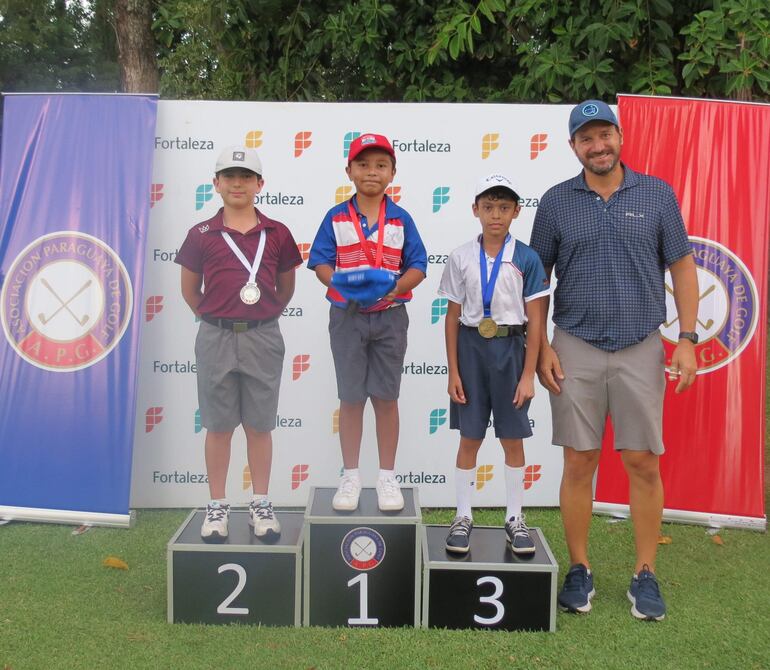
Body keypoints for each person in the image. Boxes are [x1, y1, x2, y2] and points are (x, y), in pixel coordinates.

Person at [529, 100, 699, 620]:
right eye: (587, 138)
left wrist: (688, 338)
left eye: (605, 135)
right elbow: (536, 282)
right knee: (579, 460)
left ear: (619, 137)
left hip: (640, 345)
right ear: (574, 146)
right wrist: (540, 349)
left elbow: (684, 267)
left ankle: (645, 572)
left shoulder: (657, 194)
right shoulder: (556, 202)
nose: (597, 146)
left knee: (642, 462)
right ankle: (579, 567)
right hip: (575, 345)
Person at [176, 145, 303, 542]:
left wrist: (260, 316)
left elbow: (285, 289)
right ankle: (217, 506)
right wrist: (218, 318)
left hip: (263, 336)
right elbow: (189, 291)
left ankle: (261, 503)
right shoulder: (200, 234)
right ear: (216, 184)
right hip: (214, 336)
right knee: (218, 426)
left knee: (260, 425)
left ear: (259, 184)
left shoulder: (278, 233)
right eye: (229, 176)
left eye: (246, 177)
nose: (237, 183)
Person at [307, 133, 427, 512]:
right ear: (349, 170)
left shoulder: (402, 219)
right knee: (351, 398)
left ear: (392, 172)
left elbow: (418, 265)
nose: (371, 172)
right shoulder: (336, 217)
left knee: (386, 398)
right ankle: (351, 476)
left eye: (380, 165)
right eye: (363, 164)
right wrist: (342, 283)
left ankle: (387, 477)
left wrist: (393, 290)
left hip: (391, 318)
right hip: (347, 317)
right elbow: (321, 262)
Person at [439, 174, 548, 555]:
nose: (495, 215)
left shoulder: (526, 257)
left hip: (510, 349)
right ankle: (463, 514)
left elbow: (536, 319)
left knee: (511, 437)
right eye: (488, 207)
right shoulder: (460, 256)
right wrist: (453, 370)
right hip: (470, 349)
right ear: (475, 210)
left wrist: (528, 374)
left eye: (504, 208)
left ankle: (514, 518)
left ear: (516, 211)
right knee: (469, 436)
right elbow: (452, 318)